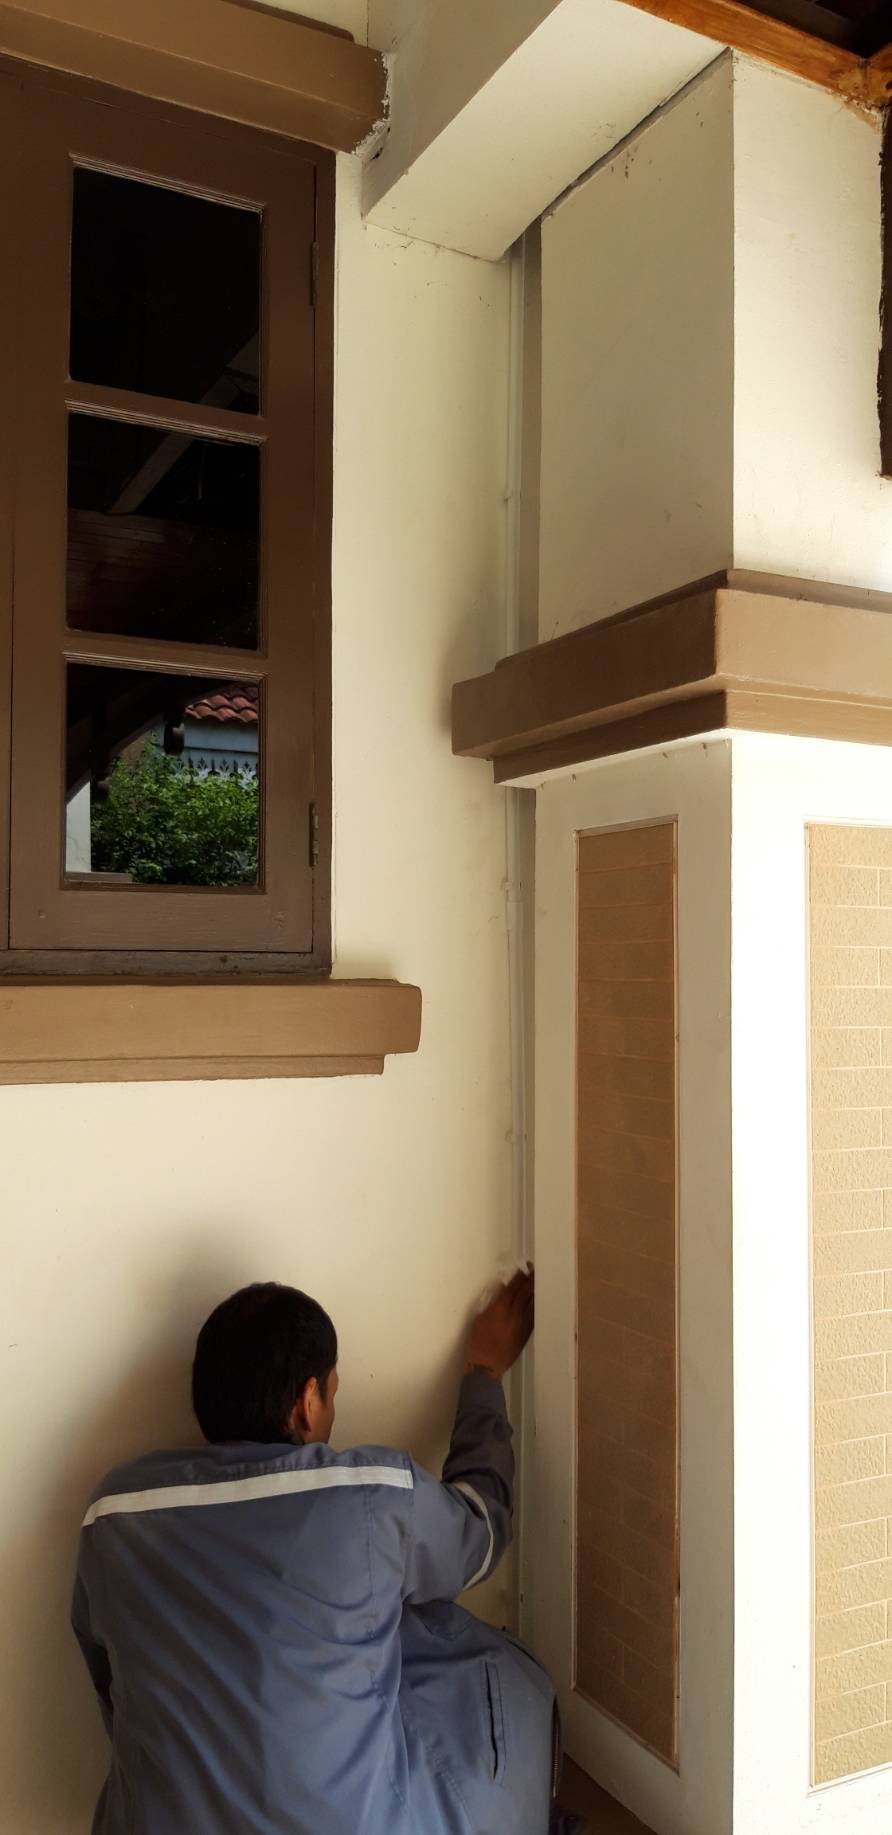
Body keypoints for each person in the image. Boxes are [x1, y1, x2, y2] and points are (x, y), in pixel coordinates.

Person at [72, 1270, 582, 1834]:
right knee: (456, 1644)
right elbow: (481, 1531)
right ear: (307, 1403)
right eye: (333, 1393)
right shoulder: (369, 1494)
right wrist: (484, 1373)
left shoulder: (115, 1513)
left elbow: (111, 1683)